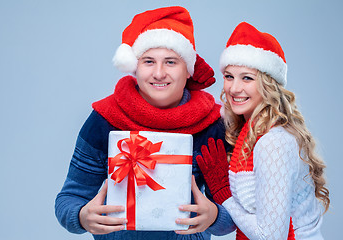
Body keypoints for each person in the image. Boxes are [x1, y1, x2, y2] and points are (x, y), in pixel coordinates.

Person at [55, 6, 235, 240]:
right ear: (135, 68)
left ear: (188, 70)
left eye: (171, 62)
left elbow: (235, 216)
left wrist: (214, 217)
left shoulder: (214, 125)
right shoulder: (104, 119)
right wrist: (81, 216)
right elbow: (68, 199)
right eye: (149, 61)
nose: (159, 73)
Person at [196, 22, 330, 239]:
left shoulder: (273, 142)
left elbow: (270, 236)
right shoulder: (248, 133)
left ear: (268, 84)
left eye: (247, 77)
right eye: (229, 76)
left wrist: (224, 195)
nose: (234, 88)